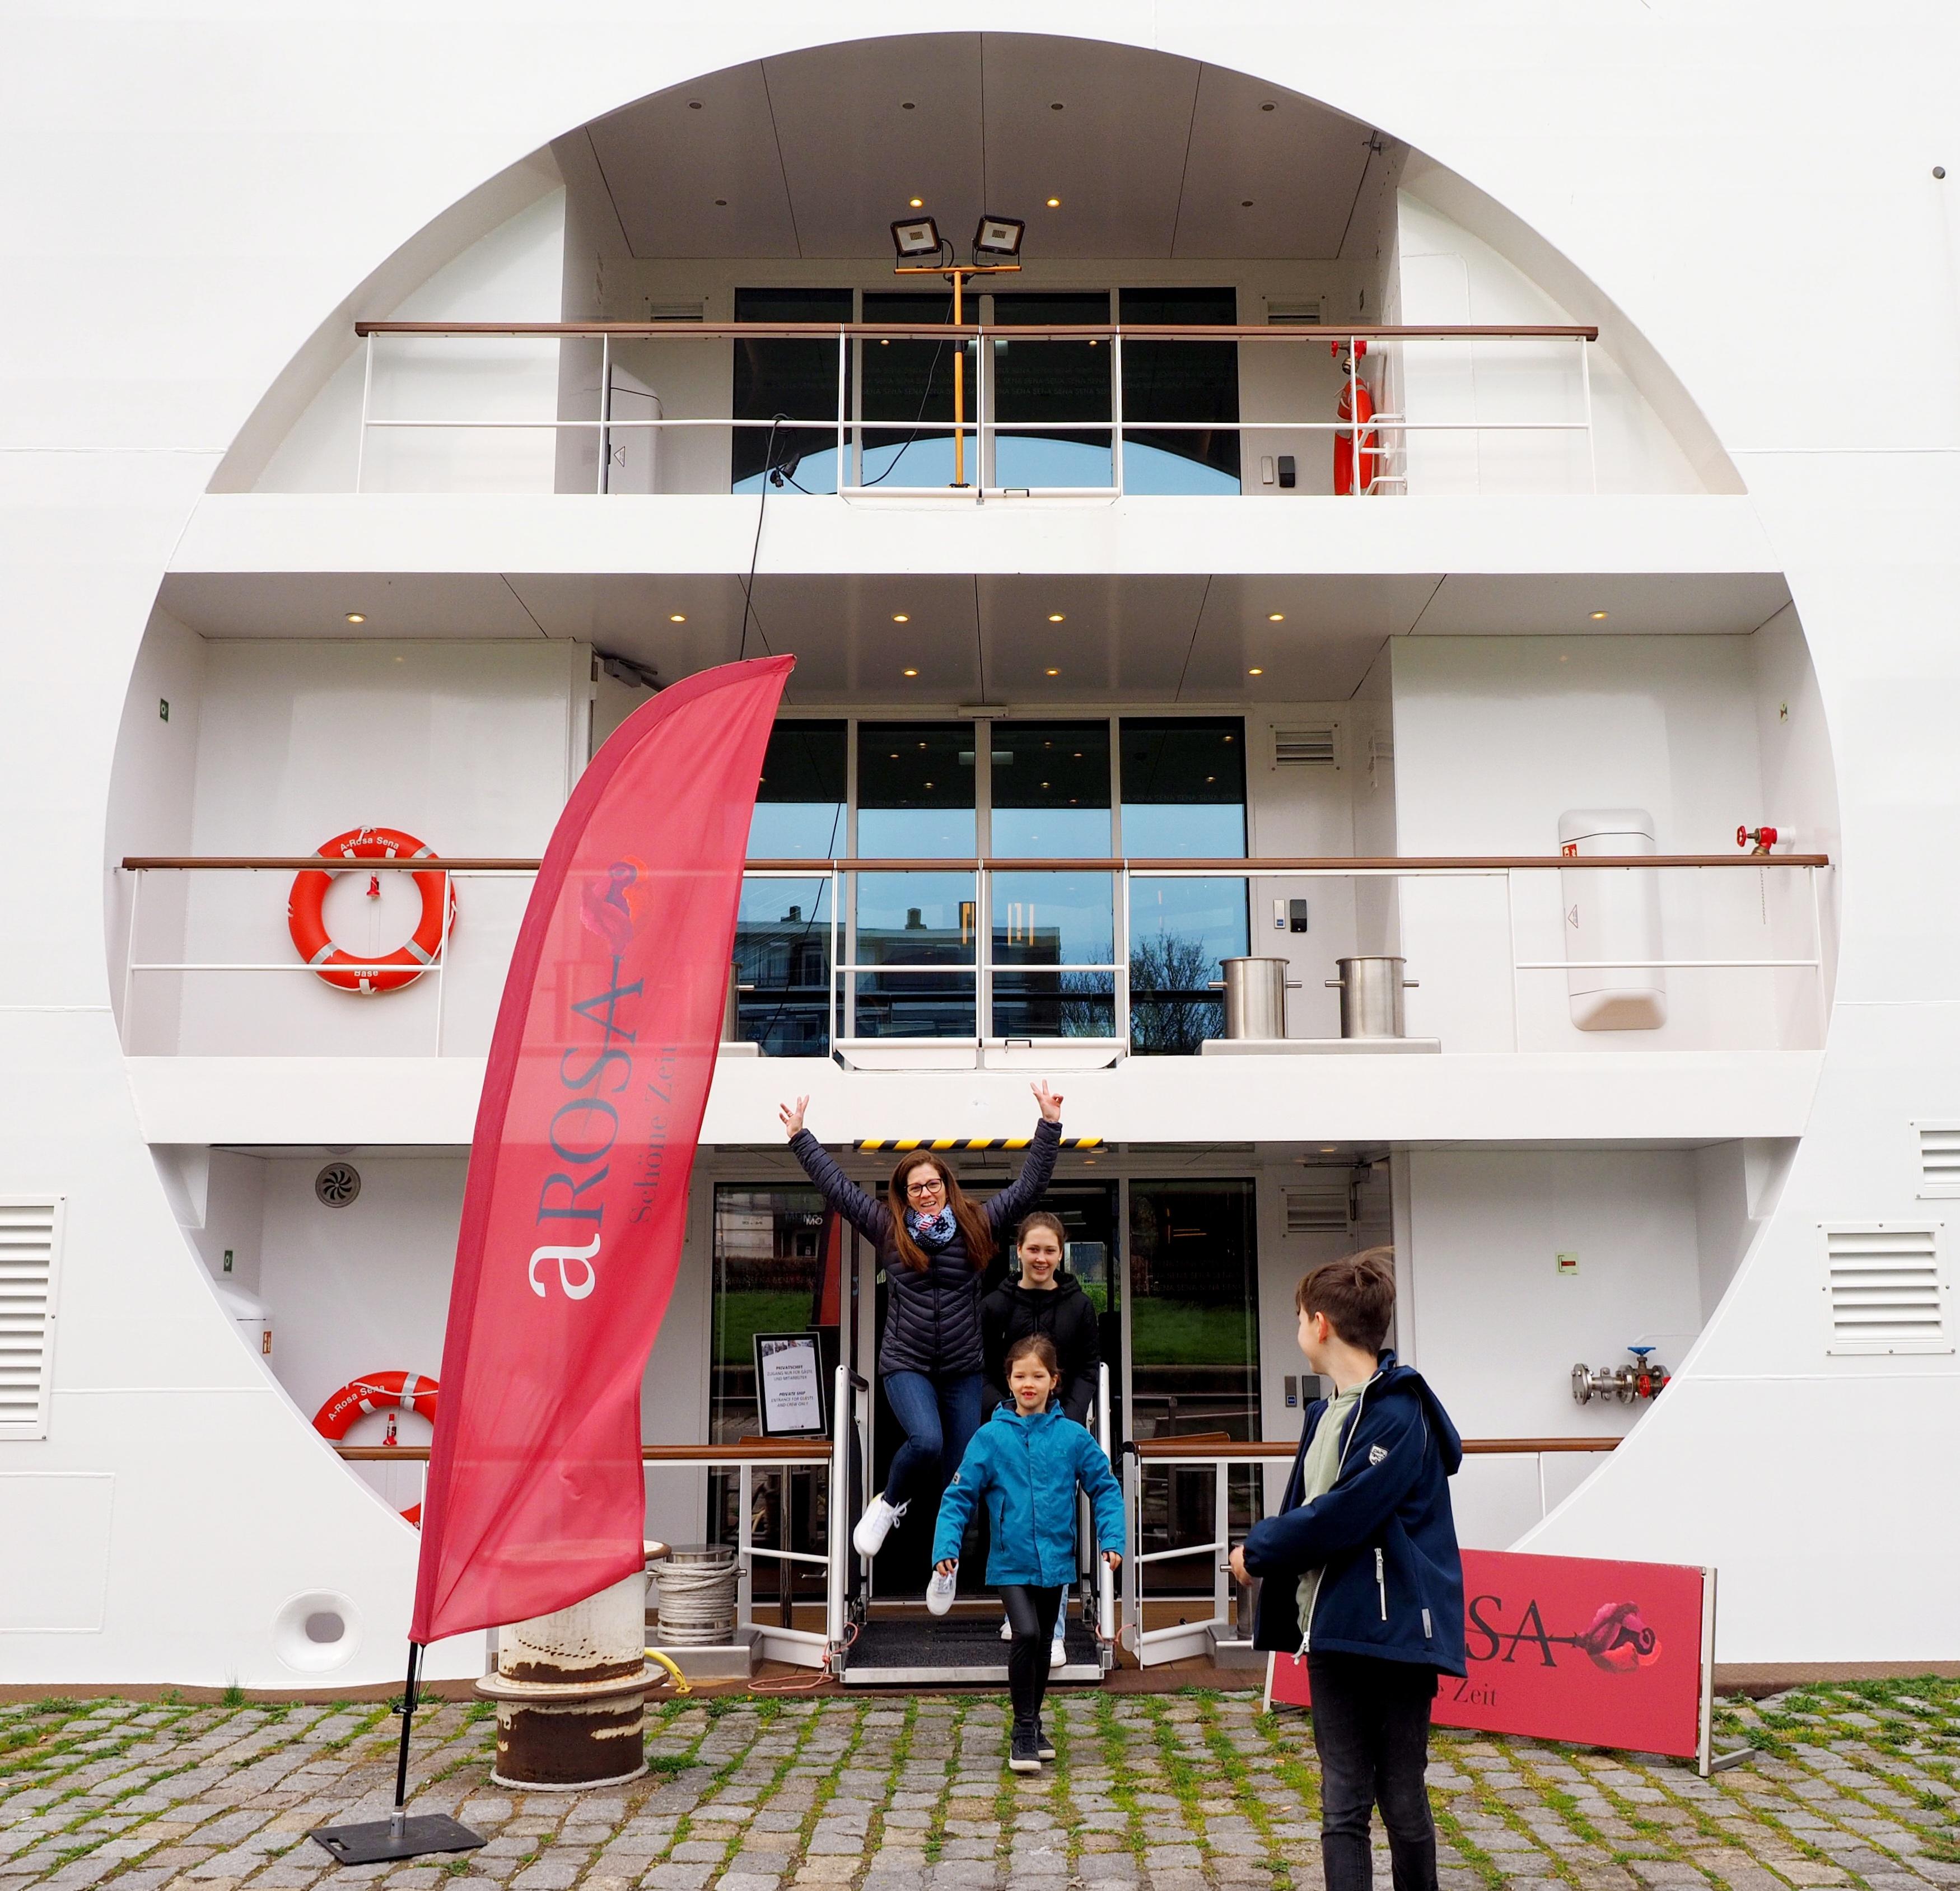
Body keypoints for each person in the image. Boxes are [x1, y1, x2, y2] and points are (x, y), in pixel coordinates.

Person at [1230, 1249, 1464, 1891]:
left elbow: (1341, 1513)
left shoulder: (1399, 1412)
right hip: (1333, 1629)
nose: (1297, 1329)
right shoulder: (1322, 1411)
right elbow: (1312, 1508)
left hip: (1393, 1637)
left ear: (1320, 1322)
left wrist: (1257, 1551)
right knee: (1341, 1803)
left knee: (1401, 1797)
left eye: (1299, 1317)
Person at [779, 1080, 1064, 1560]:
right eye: (916, 1187)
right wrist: (800, 1137)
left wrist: (1050, 1125)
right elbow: (840, 1190)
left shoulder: (976, 1221)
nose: (926, 1192)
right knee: (927, 1442)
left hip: (961, 1367)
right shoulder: (887, 1227)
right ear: (905, 1195)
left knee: (961, 1472)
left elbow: (1028, 1188)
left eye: (933, 1184)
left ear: (945, 1186)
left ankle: (945, 1563)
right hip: (906, 1362)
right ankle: (889, 1504)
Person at [930, 1333, 1124, 1773]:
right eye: (1020, 1375)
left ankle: (1034, 1722)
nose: (1028, 1383)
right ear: (1009, 1379)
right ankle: (1022, 1729)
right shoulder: (990, 1437)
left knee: (1042, 1645)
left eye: (1038, 1375)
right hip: (1009, 1560)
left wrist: (1112, 1538)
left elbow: (1105, 1486)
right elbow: (958, 1495)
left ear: (1054, 1380)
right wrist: (947, 1545)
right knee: (1028, 1634)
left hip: (1056, 1560)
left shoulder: (1073, 1437)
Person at [982, 1209, 1103, 1667]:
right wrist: (999, 1409)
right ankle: (1019, 1611)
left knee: (1056, 1521)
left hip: (1060, 1430)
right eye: (1033, 1248)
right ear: (1019, 1251)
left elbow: (1089, 1368)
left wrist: (1069, 1418)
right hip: (1008, 1428)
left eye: (1049, 1249)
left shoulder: (1080, 1306)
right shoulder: (995, 1304)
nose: (1041, 1257)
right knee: (1009, 1517)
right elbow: (980, 1366)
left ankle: (1052, 1632)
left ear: (1061, 1252)